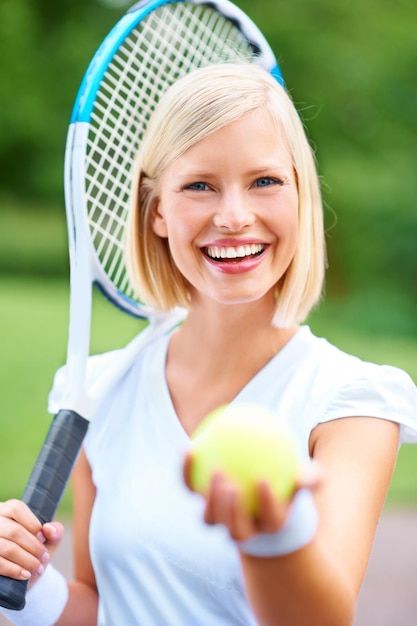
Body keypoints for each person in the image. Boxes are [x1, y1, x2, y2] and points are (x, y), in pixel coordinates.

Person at [1, 62, 416, 626]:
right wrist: (33, 585)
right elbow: (104, 607)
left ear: (301, 196)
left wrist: (273, 534)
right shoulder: (97, 392)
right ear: (157, 213)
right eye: (199, 185)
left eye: (265, 181)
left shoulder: (352, 403)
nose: (234, 217)